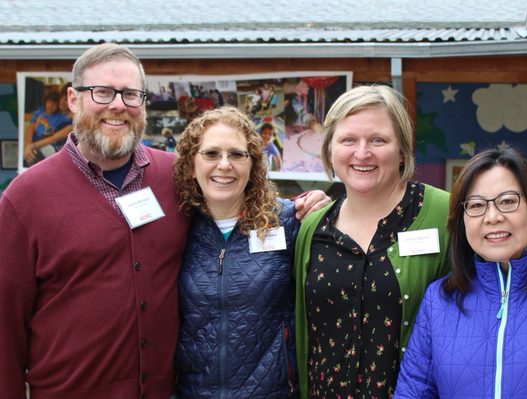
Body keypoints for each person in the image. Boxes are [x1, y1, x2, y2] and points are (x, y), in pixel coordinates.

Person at [0, 43, 326, 399]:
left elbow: (231, 197)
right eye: (103, 92)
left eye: (130, 94)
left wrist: (298, 206)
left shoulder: (171, 176)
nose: (118, 105)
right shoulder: (26, 197)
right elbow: (5, 325)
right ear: (73, 99)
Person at [393, 147, 527, 398]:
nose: (492, 217)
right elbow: (414, 390)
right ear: (462, 221)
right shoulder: (439, 299)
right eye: (477, 205)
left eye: (508, 201)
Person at [293, 85, 451, 398]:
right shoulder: (313, 227)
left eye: (378, 140)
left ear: (402, 149)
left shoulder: (445, 215)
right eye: (348, 139)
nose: (362, 153)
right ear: (330, 150)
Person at [172, 106, 330, 398]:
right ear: (191, 163)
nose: (224, 165)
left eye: (236, 154)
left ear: (253, 163)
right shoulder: (176, 227)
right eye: (211, 154)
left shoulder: (287, 221)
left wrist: (321, 204)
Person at [23, 89, 72, 166]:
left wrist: (31, 146)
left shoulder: (60, 117)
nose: (51, 105)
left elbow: (54, 137)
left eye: (54, 104)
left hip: (50, 145)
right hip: (37, 141)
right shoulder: (39, 112)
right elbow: (30, 128)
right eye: (63, 99)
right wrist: (27, 146)